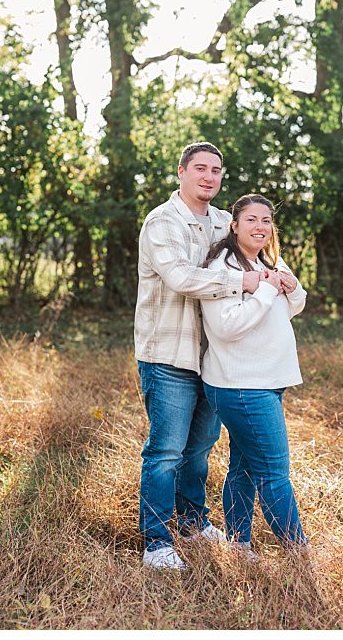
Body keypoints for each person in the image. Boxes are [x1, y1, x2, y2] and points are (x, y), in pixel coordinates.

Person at [135, 143, 263, 570]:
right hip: (168, 353)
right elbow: (180, 277)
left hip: (210, 355)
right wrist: (243, 283)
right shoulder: (162, 221)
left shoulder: (224, 222)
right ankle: (156, 543)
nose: (209, 177)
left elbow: (250, 254)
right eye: (200, 169)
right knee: (166, 451)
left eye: (216, 171)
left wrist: (272, 277)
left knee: (200, 448)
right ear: (182, 172)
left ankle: (192, 521)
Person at [199, 194, 310, 556]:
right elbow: (226, 327)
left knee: (244, 468)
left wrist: (293, 290)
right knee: (275, 472)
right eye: (251, 220)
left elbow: (285, 310)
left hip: (265, 381)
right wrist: (265, 290)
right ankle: (298, 552)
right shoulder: (223, 266)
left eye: (266, 220)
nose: (260, 227)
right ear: (234, 225)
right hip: (242, 385)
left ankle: (239, 545)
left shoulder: (267, 260)